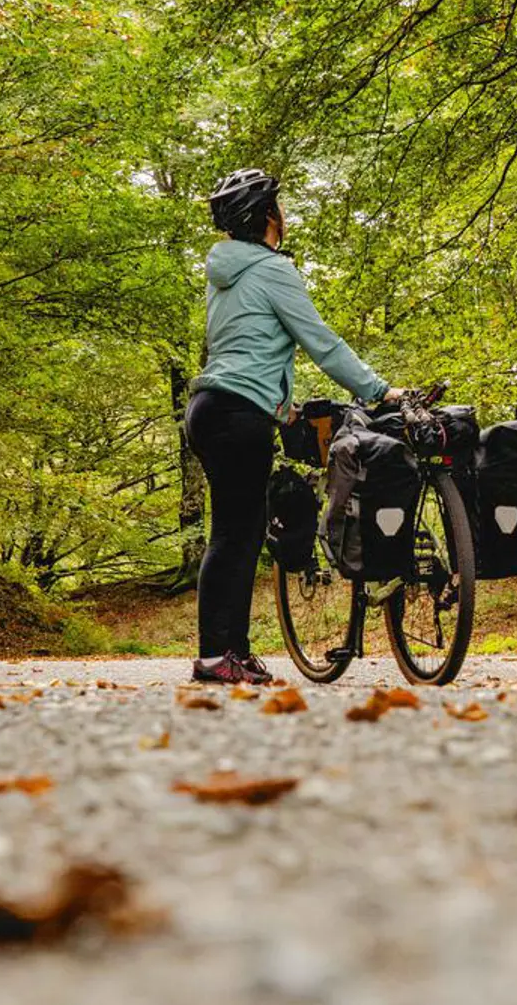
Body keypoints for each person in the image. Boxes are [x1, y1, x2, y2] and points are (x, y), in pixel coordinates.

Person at [184, 168, 403, 683]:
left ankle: (226, 653)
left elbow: (246, 349)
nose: (283, 217)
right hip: (239, 415)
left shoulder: (226, 275)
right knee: (236, 535)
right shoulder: (270, 269)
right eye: (278, 209)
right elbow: (320, 342)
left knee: (232, 532)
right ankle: (219, 656)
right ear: (266, 217)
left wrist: (284, 407)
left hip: (211, 408)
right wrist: (379, 390)